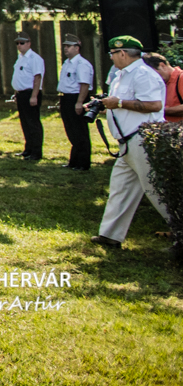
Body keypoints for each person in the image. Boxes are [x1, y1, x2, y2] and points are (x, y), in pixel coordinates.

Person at [92, 36, 168, 250]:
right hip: (128, 142)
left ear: (122, 53)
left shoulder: (144, 75)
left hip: (144, 139)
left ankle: (179, 229)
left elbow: (154, 105)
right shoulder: (120, 76)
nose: (112, 58)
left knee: (157, 190)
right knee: (121, 187)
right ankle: (110, 235)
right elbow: (120, 105)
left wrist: (120, 103)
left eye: (113, 54)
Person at [56, 35, 94, 170]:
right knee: (71, 130)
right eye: (65, 46)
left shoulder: (82, 64)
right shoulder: (67, 63)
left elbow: (84, 84)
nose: (65, 49)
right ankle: (74, 161)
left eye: (68, 46)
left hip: (77, 97)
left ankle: (83, 163)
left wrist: (79, 102)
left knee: (79, 130)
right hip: (67, 98)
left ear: (77, 48)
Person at [10, 33, 46, 161]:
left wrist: (34, 96)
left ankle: (36, 152)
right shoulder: (20, 58)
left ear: (29, 43)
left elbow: (37, 77)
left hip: (30, 92)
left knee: (33, 122)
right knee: (25, 122)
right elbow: (19, 76)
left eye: (22, 43)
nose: (19, 45)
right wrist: (16, 93)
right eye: (17, 43)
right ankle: (28, 148)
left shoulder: (34, 58)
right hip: (21, 93)